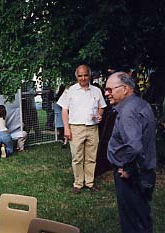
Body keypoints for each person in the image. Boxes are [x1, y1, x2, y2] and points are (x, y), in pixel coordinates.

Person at [105, 72, 156, 233]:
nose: (107, 93)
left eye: (110, 89)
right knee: (142, 217)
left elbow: (134, 146)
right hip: (144, 173)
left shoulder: (128, 112)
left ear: (125, 89)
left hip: (132, 175)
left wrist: (127, 168)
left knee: (132, 223)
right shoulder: (140, 104)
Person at [57, 65, 107, 194]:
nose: (83, 78)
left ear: (89, 75)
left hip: (92, 128)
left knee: (91, 157)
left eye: (85, 75)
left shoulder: (96, 90)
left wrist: (99, 114)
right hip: (76, 128)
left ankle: (89, 183)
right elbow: (64, 110)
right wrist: (66, 129)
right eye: (80, 76)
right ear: (76, 76)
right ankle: (78, 184)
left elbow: (102, 107)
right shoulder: (70, 90)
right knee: (77, 157)